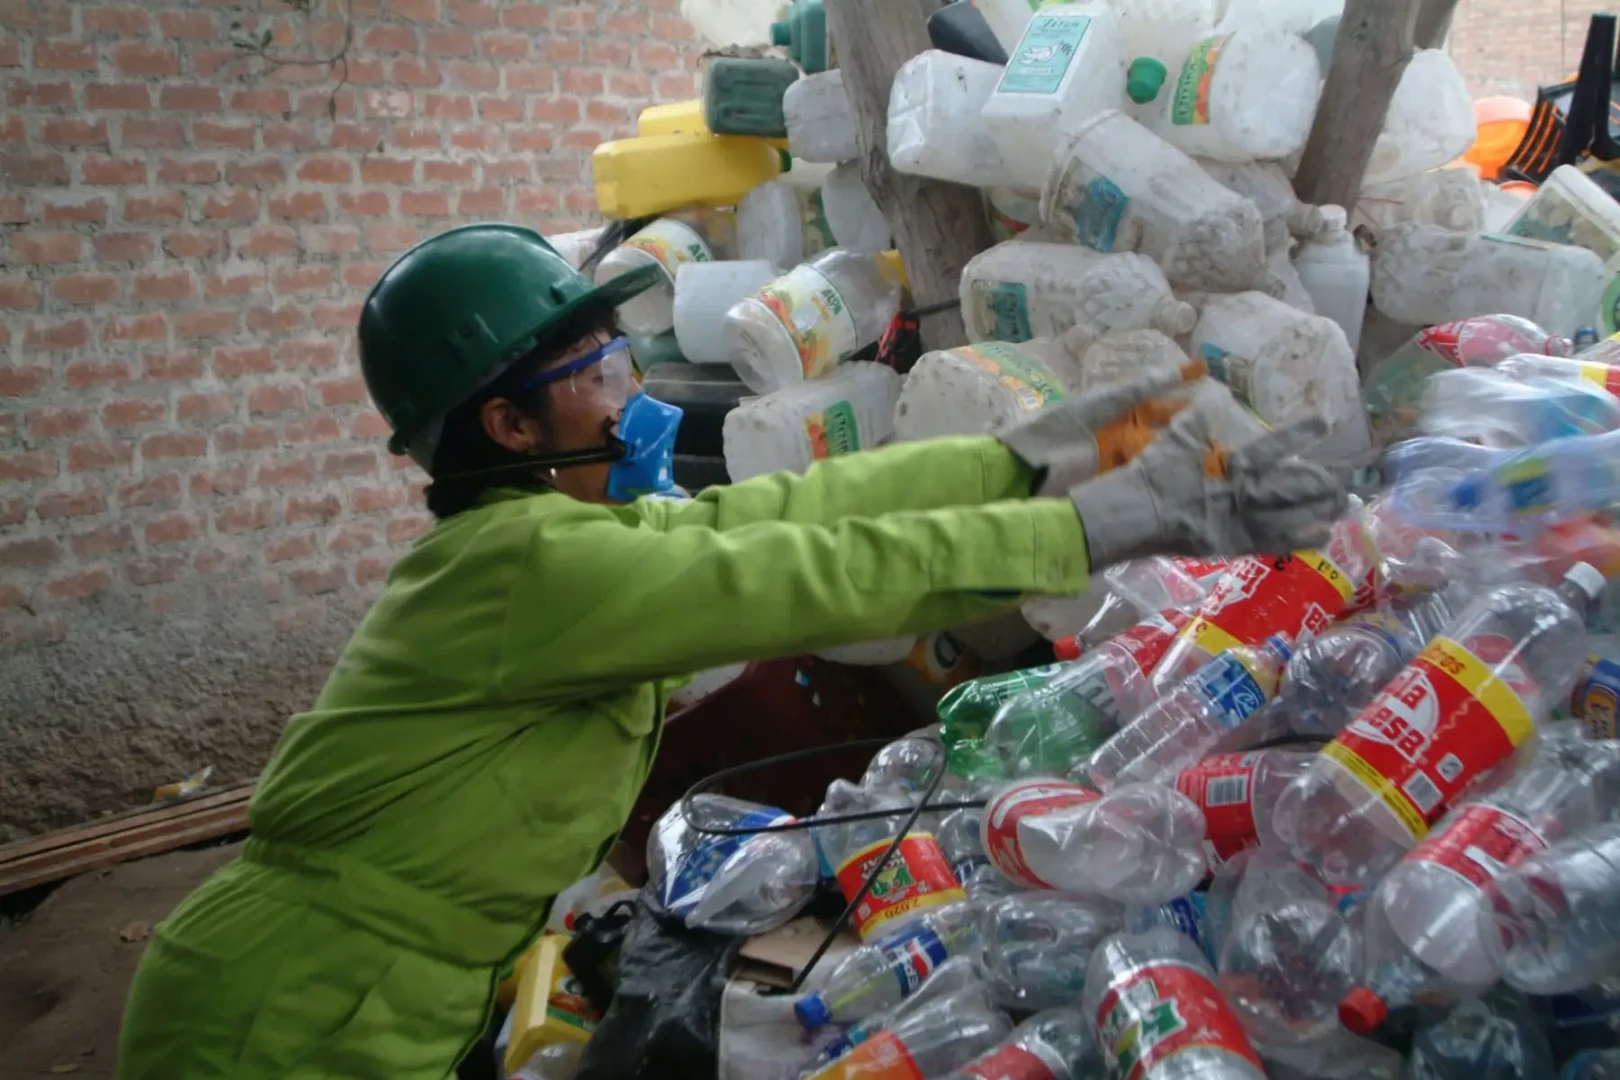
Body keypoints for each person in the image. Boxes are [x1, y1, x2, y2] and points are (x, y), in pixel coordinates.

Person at [117, 223, 1346, 1079]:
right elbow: (797, 581)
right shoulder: (528, 570)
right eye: (595, 371)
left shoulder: (556, 536)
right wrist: (1106, 518)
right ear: (507, 423)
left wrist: (1039, 453)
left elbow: (792, 516)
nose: (630, 391)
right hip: (286, 1017)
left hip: (375, 995)